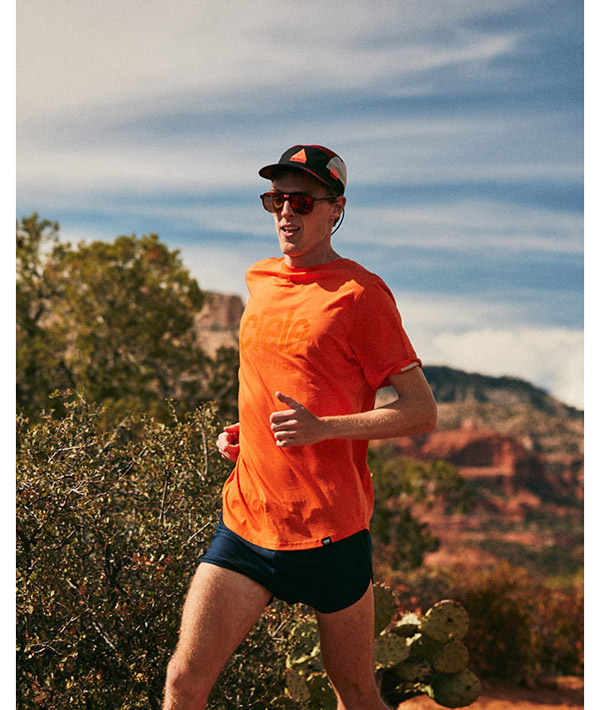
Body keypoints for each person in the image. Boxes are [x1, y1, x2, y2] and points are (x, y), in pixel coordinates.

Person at [163, 145, 437, 710]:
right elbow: (277, 377)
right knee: (183, 683)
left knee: (355, 692)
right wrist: (246, 432)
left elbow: (420, 410)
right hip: (247, 524)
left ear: (336, 208)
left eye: (303, 201)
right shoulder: (259, 279)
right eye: (277, 200)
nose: (287, 211)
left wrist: (322, 429)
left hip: (330, 532)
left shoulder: (360, 294)